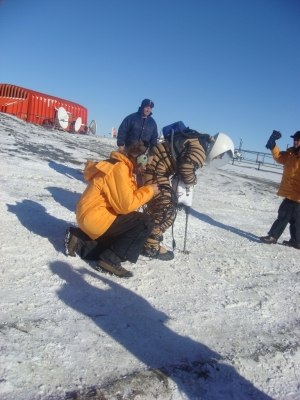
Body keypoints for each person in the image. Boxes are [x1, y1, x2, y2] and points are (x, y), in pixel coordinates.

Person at [141, 122, 235, 260]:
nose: (218, 158)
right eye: (220, 155)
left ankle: (141, 237)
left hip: (154, 168)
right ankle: (150, 246)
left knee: (155, 208)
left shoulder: (199, 141)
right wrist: (192, 182)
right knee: (166, 211)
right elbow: (186, 169)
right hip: (156, 171)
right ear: (218, 148)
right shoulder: (200, 150)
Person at [65, 141, 159, 277]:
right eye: (146, 163)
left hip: (92, 216)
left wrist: (142, 187)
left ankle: (80, 240)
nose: (146, 167)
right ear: (139, 158)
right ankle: (110, 261)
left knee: (124, 240)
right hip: (95, 217)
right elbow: (125, 206)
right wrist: (149, 191)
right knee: (145, 222)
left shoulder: (121, 167)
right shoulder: (119, 168)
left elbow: (124, 198)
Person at [260, 130, 300, 249]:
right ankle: (296, 241)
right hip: (291, 193)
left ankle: (273, 236)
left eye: (298, 140)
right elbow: (279, 157)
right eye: (295, 139)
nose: (296, 142)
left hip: (296, 193)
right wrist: (273, 144)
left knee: (283, 214)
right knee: (295, 219)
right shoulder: (290, 154)